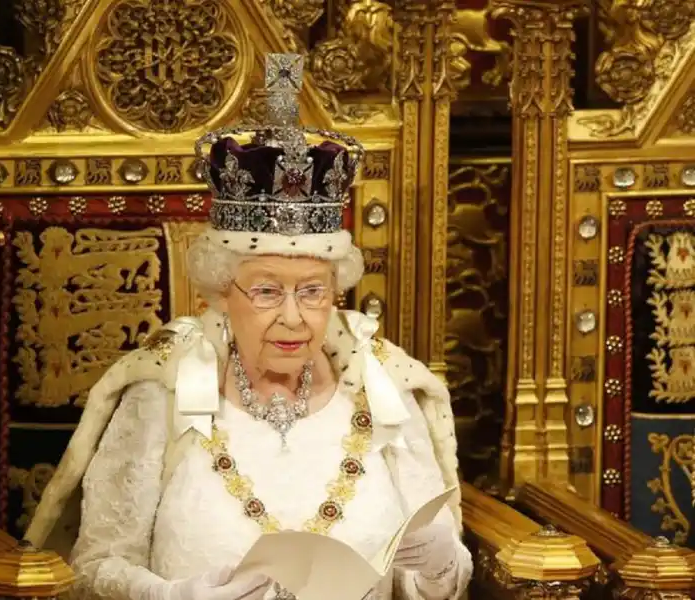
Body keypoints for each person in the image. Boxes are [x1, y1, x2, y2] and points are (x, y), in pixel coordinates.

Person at [24, 54, 471, 600]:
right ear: (218, 292)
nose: (293, 316)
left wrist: (442, 565)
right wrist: (176, 596)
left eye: (313, 291)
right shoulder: (162, 392)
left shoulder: (382, 389)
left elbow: (436, 578)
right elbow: (95, 567)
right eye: (265, 290)